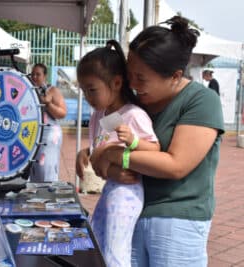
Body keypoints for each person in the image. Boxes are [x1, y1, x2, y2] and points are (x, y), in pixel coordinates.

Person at [77, 16, 224, 267]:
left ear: (175, 76)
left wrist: (112, 155)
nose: (132, 84)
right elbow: (106, 151)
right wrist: (93, 152)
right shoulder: (134, 103)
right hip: (131, 216)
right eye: (130, 74)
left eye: (141, 78)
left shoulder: (201, 101)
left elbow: (175, 165)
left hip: (176, 221)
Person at [76, 40, 160, 267]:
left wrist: (133, 141)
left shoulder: (133, 115)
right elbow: (103, 145)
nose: (88, 97)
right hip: (111, 189)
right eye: (83, 91)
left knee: (115, 253)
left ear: (115, 83)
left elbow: (154, 149)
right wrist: (85, 153)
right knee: (99, 244)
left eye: (92, 90)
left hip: (126, 193)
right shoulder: (104, 115)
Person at [29, 63, 67, 182]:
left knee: (47, 168)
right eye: (32, 74)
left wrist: (48, 104)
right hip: (33, 136)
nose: (34, 77)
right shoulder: (29, 91)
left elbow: (62, 112)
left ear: (45, 76)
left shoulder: (52, 90)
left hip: (50, 136)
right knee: (35, 169)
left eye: (38, 74)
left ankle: (48, 195)